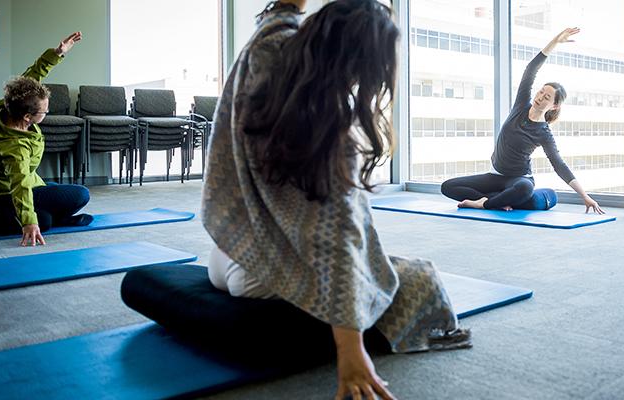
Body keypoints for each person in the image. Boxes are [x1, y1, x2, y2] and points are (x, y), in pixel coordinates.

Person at [201, 2, 471, 399]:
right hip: (259, 279)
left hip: (227, 252)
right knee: (413, 277)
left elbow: (278, 15)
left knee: (370, 260)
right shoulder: (334, 129)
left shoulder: (264, 54)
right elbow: (338, 239)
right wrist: (351, 349)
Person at [441, 27, 605, 215]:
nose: (540, 97)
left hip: (519, 179)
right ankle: (496, 200)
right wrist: (554, 42)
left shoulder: (543, 133)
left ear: (554, 106)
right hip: (495, 176)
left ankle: (484, 203)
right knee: (448, 186)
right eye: (541, 92)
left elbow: (559, 165)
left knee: (525, 190)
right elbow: (531, 70)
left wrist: (584, 196)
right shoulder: (521, 105)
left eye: (547, 97)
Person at [0, 32, 92, 246]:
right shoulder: (14, 146)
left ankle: (31, 218)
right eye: (44, 112)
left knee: (51, 197)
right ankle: (15, 217)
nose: (46, 113)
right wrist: (29, 222)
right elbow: (20, 184)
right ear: (28, 117)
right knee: (80, 194)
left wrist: (57, 53)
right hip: (7, 192)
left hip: (6, 188)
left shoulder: (7, 106)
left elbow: (31, 78)